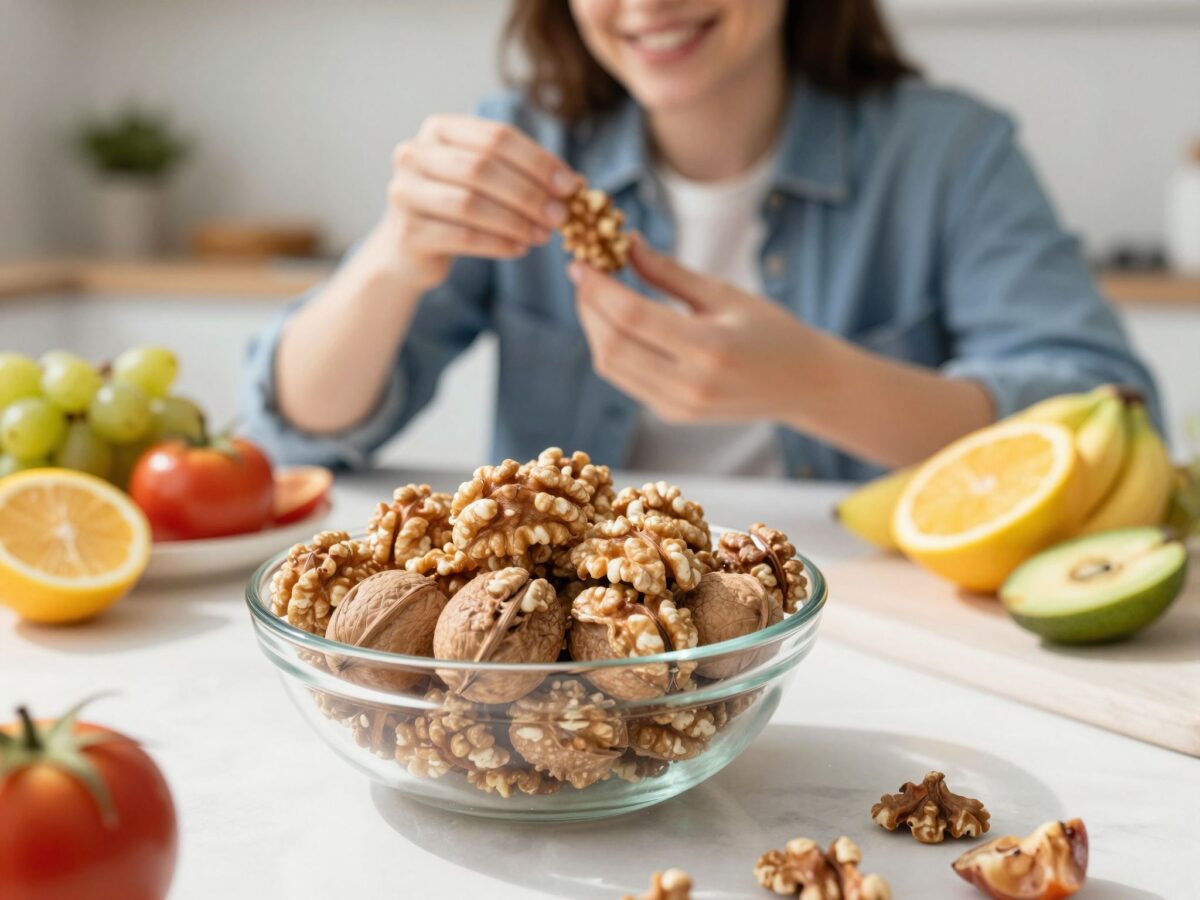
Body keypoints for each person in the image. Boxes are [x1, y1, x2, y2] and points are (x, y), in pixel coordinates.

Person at [240, 0, 1158, 481]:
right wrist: (394, 259)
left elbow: (1114, 423)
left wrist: (817, 383)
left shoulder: (950, 154)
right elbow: (294, 433)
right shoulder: (523, 147)